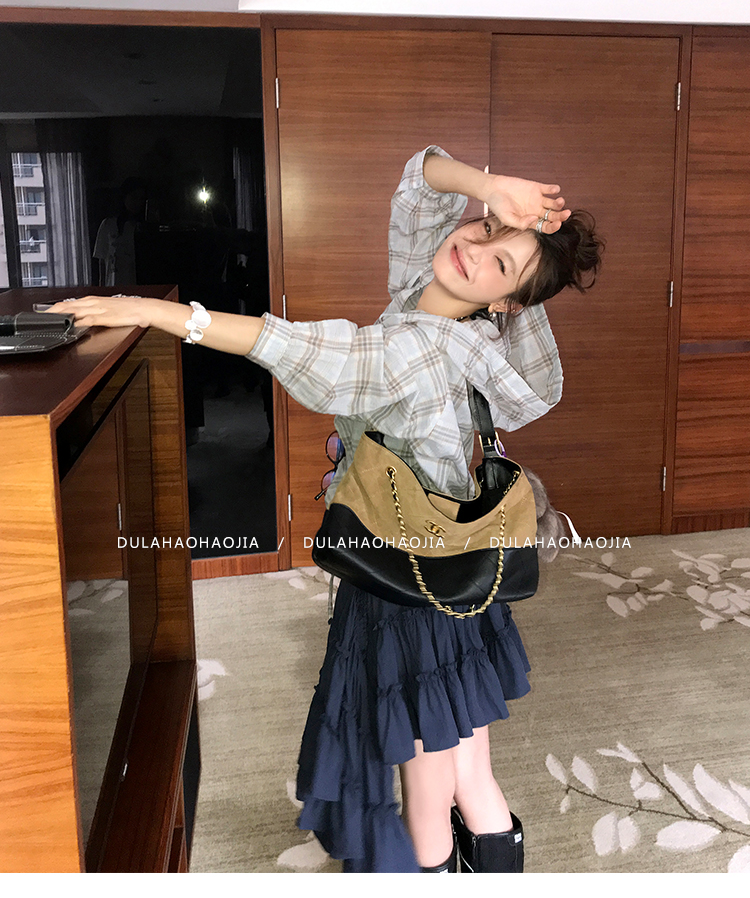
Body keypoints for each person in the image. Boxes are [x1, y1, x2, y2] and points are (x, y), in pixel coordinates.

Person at [49, 146, 602, 873]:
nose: (473, 250)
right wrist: (491, 186)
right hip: (450, 571)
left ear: (507, 303)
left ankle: (433, 872)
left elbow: (294, 345)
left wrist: (153, 311)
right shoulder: (441, 304)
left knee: (426, 778)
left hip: (406, 586)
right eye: (485, 228)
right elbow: (420, 181)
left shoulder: (411, 349)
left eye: (499, 263)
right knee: (467, 758)